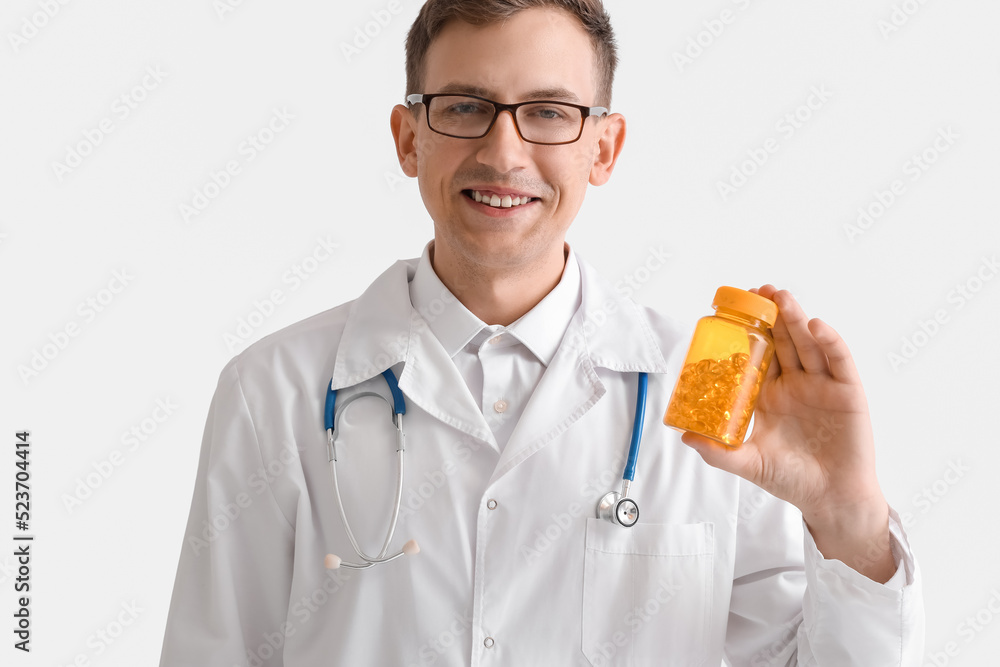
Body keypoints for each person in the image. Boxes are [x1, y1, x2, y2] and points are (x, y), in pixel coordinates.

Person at [158, 1, 924, 665]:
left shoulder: (706, 396)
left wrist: (849, 517)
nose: (503, 152)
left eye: (550, 113)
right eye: (463, 105)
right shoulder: (275, 391)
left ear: (605, 148)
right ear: (407, 137)